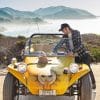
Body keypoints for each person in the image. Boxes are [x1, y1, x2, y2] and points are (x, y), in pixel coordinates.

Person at [53, 23, 96, 89]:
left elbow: (79, 45)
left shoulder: (76, 32)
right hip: (74, 58)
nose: (62, 32)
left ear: (67, 28)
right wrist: (53, 51)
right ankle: (77, 86)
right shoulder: (64, 37)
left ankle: (93, 84)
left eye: (63, 30)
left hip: (83, 55)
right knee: (74, 70)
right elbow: (59, 44)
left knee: (87, 70)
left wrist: (72, 52)